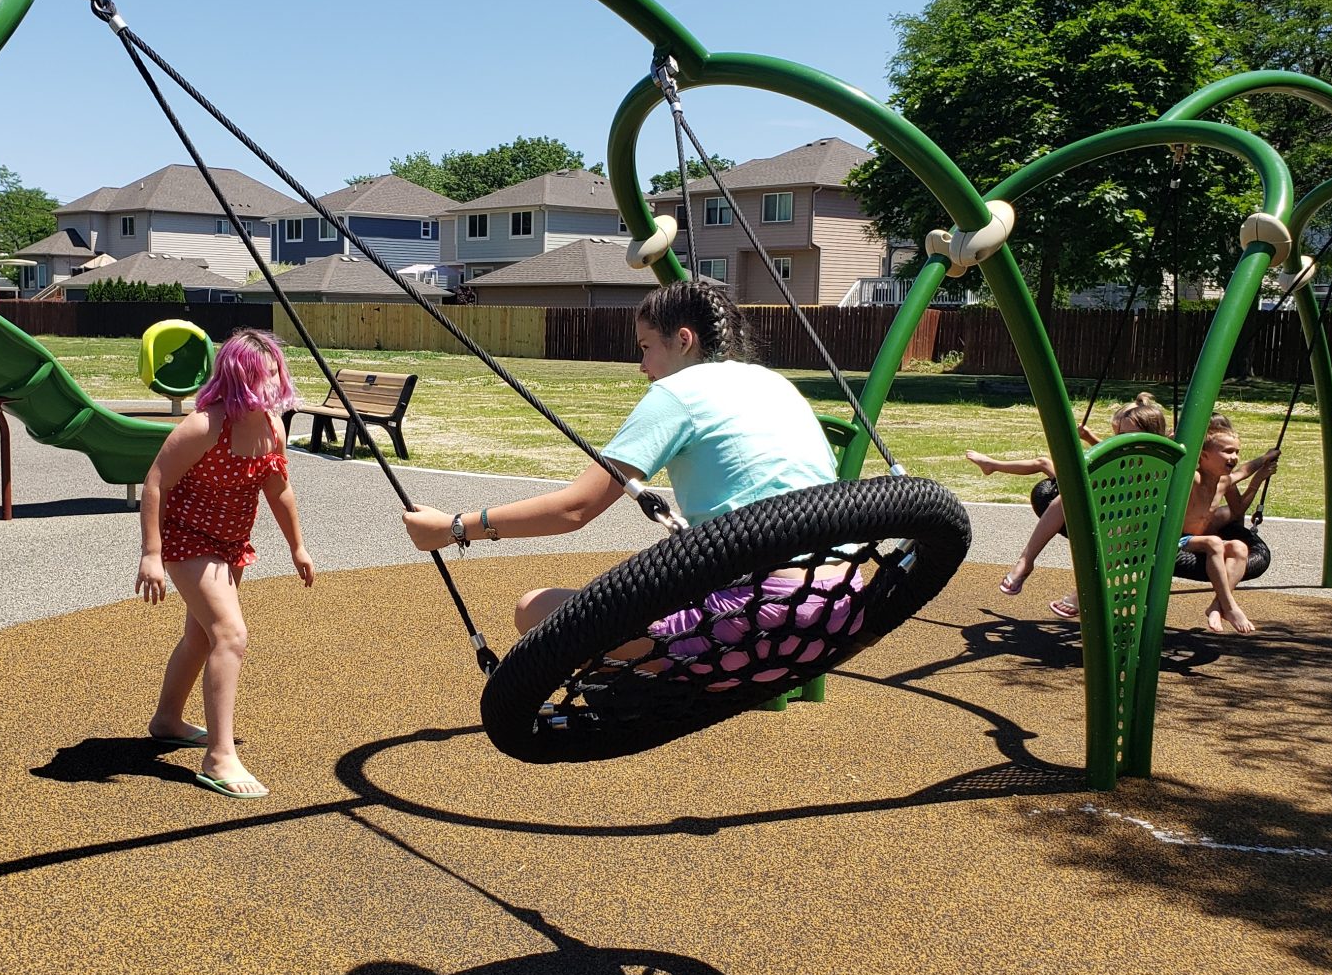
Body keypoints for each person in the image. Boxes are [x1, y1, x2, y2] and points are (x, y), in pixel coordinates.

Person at [401, 279, 840, 660]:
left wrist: (452, 529)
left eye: (647, 348)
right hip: (840, 604)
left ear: (683, 340)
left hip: (762, 620)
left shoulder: (678, 391)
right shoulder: (774, 382)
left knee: (536, 608)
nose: (643, 366)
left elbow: (574, 509)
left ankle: (644, 697)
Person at [137, 328, 315, 799]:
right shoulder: (205, 426)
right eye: (260, 377)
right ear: (236, 379)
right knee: (230, 634)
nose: (271, 385)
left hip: (231, 543)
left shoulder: (273, 428)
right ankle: (218, 757)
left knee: (200, 636)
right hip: (187, 539)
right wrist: (151, 554)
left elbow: (278, 489)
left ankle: (167, 720)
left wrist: (298, 546)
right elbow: (155, 484)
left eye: (276, 373)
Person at [965, 392, 1168, 616]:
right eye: (1118, 435)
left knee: (1119, 529)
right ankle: (1026, 560)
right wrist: (1089, 439)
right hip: (1098, 504)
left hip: (1126, 523)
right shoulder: (1119, 454)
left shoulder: (1159, 461)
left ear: (1152, 435)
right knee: (1061, 489)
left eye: (1128, 436)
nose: (1120, 441)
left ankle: (1083, 592)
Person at [1181, 414, 1279, 634]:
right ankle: (1231, 606)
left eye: (1236, 452)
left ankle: (1217, 606)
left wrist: (1261, 469)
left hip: (1201, 542)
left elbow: (1244, 472)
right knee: (1215, 542)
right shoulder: (1192, 478)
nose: (1234, 457)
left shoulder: (1223, 482)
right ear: (1203, 456)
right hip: (1177, 541)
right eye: (1227, 451)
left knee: (1240, 547)